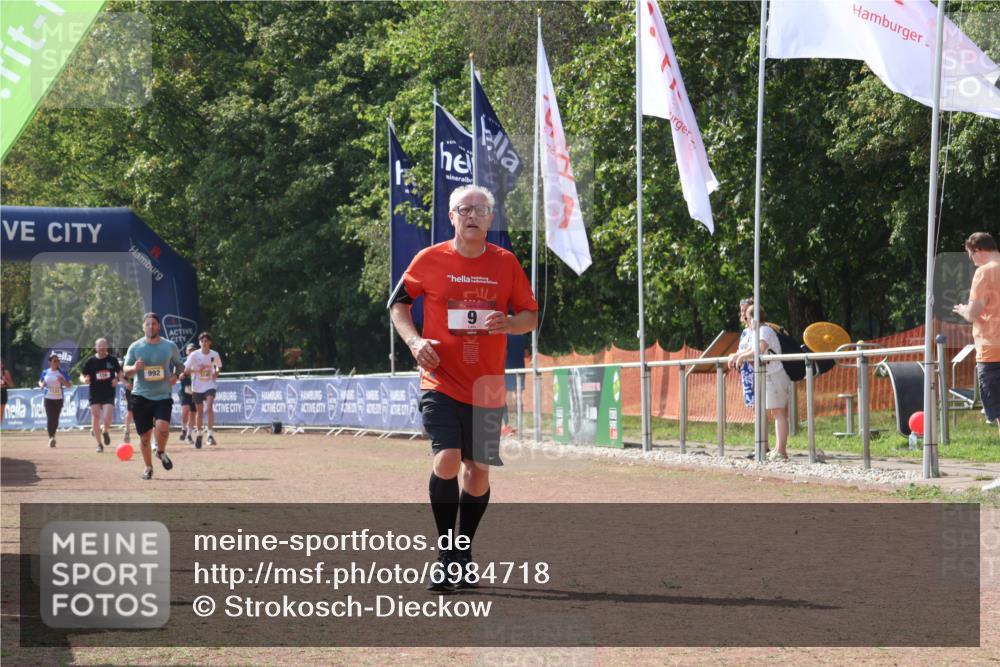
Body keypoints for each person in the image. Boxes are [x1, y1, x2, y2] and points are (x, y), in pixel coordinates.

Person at [389, 184, 538, 591]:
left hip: (487, 386)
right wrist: (414, 342)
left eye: (480, 209)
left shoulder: (506, 263)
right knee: (448, 460)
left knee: (478, 473)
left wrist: (509, 323)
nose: (472, 215)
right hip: (440, 380)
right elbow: (398, 304)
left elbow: (530, 315)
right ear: (451, 216)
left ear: (491, 218)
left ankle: (463, 554)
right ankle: (444, 557)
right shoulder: (429, 259)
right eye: (464, 209)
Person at [728, 299, 791, 461]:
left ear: (754, 318)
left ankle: (781, 451)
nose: (746, 320)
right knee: (776, 412)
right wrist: (738, 356)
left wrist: (741, 357)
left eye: (748, 318)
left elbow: (759, 349)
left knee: (779, 412)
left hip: (774, 374)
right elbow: (751, 348)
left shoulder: (764, 330)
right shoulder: (759, 331)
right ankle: (777, 449)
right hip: (768, 375)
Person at [953, 232, 1000, 446]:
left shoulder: (985, 272)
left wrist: (963, 309)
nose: (971, 260)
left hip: (992, 352)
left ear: (978, 251)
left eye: (970, 255)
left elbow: (973, 314)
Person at [123, 312, 182, 480]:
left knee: (163, 428)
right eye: (148, 324)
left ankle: (160, 451)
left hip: (163, 395)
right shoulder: (135, 346)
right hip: (141, 396)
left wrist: (176, 376)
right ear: (143, 327)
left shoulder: (169, 346)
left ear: (159, 326)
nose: (151, 327)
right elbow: (125, 370)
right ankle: (148, 467)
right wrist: (134, 368)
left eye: (154, 324)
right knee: (145, 437)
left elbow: (180, 365)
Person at [80, 338, 122, 453]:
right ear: (96, 348)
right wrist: (84, 380)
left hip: (108, 392)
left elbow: (119, 372)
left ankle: (105, 430)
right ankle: (99, 444)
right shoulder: (91, 361)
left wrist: (117, 379)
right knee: (96, 416)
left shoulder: (112, 360)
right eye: (100, 346)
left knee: (108, 417)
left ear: (107, 347)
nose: (102, 348)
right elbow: (82, 375)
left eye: (104, 346)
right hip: (95, 392)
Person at [185, 332, 223, 447]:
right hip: (197, 387)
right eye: (202, 341)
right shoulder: (194, 355)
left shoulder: (214, 354)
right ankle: (199, 434)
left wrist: (216, 372)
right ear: (199, 343)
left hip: (210, 385)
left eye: (206, 341)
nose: (204, 343)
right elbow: (186, 370)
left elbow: (218, 366)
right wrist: (197, 370)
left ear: (210, 342)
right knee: (200, 412)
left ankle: (210, 435)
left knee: (210, 406)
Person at [38, 354, 72, 447]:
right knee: (50, 418)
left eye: (58, 361)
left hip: (59, 398)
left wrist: (63, 381)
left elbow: (69, 385)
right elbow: (40, 381)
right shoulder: (45, 372)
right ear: (50, 362)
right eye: (55, 361)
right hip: (48, 398)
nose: (57, 362)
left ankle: (53, 435)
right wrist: (41, 385)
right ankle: (51, 438)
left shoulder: (62, 372)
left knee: (56, 418)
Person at [178, 342, 197, 444]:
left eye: (193, 350)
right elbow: (179, 375)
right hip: (185, 390)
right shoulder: (183, 362)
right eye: (190, 350)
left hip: (196, 390)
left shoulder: (199, 362)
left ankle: (189, 435)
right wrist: (182, 375)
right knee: (185, 409)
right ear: (186, 352)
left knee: (193, 413)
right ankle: (183, 429)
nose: (192, 352)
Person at [1, 359, 12, 426]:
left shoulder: (6, 373)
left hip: (3, 392)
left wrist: (5, 380)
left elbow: (11, 385)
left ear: (2, 365)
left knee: (1, 412)